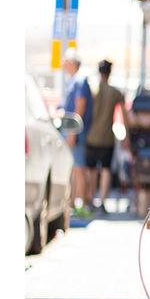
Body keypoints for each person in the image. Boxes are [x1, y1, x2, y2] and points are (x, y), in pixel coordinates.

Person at [85, 59, 128, 213]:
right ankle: (102, 201)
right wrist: (127, 137)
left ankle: (91, 198)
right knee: (106, 169)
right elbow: (124, 115)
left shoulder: (91, 90)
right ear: (110, 72)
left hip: (90, 136)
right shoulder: (115, 93)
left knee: (91, 169)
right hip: (107, 137)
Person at [59, 47, 94, 216]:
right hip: (73, 131)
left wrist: (72, 132)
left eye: (65, 60)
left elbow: (80, 106)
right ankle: (74, 203)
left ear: (72, 62)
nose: (62, 63)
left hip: (76, 132)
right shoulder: (74, 80)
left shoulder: (79, 80)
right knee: (75, 169)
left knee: (79, 168)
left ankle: (84, 205)